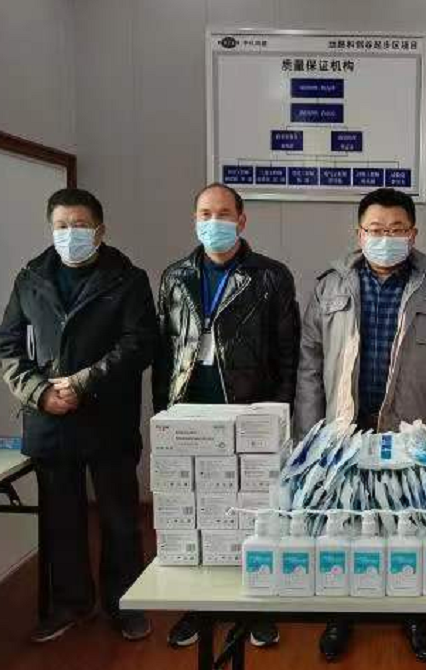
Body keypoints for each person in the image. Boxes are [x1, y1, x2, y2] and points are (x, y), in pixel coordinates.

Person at [295, 187, 426, 663]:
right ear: (359, 233)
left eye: (396, 230)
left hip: (412, 432)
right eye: (375, 230)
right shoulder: (330, 286)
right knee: (346, 522)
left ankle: (415, 614)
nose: (385, 238)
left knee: (411, 523)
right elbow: (310, 363)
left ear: (413, 234)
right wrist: (311, 436)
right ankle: (342, 613)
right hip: (344, 430)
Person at [0, 188, 157, 643]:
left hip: (108, 417)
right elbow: (8, 346)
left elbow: (140, 344)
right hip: (51, 420)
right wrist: (40, 392)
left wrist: (84, 381)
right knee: (61, 521)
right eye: (62, 226)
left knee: (119, 520)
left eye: (80, 225)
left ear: (100, 231)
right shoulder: (30, 278)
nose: (71, 234)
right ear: (51, 229)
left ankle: (125, 605)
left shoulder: (127, 279)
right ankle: (70, 605)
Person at [153, 183, 300, 649]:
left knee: (255, 513)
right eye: (204, 213)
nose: (212, 222)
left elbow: (288, 354)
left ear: (241, 220)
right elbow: (164, 352)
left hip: (249, 407)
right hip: (190, 407)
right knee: (196, 512)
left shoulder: (271, 276)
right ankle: (198, 608)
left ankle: (258, 608)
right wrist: (163, 414)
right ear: (194, 219)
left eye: (222, 214)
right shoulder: (175, 276)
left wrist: (278, 417)